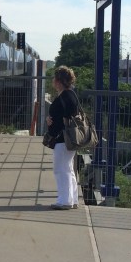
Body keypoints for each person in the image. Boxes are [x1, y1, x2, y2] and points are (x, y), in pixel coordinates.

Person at [45, 66, 80, 209]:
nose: (53, 81)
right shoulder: (72, 95)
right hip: (71, 138)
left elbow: (58, 121)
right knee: (68, 169)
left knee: (60, 169)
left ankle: (64, 200)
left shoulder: (61, 99)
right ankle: (73, 199)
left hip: (62, 139)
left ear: (59, 81)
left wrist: (49, 123)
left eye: (54, 78)